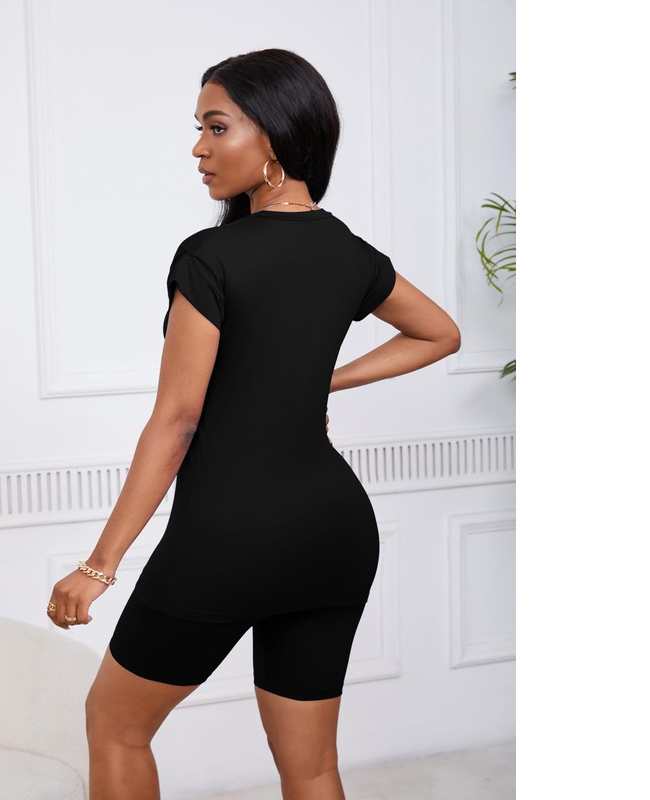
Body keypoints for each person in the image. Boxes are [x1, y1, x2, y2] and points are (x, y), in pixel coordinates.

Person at [46, 48, 460, 800]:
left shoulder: (211, 257)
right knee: (313, 767)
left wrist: (99, 566)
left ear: (273, 133)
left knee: (115, 727)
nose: (198, 149)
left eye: (216, 127)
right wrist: (322, 378)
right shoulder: (349, 252)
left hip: (229, 540)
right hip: (334, 533)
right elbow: (440, 333)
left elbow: (177, 422)